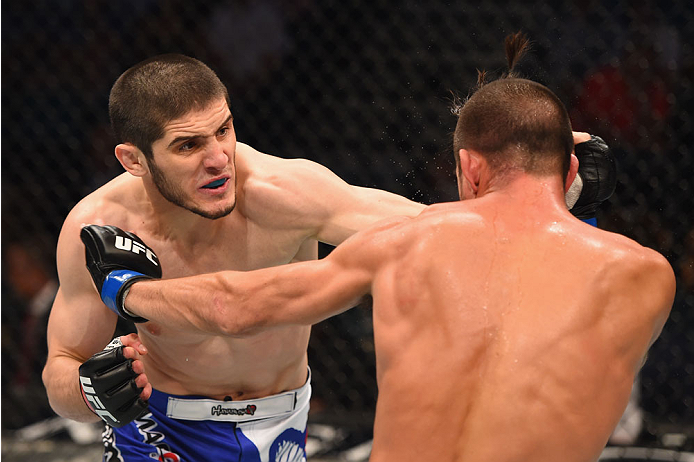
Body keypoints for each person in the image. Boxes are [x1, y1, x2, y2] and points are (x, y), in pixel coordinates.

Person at [92, 35, 675, 461]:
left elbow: (232, 307)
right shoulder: (648, 278)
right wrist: (579, 208)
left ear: (468, 169)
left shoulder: (412, 243)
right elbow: (546, 286)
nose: (219, 156)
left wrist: (129, 289)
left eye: (223, 132)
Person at [42, 53, 427, 462]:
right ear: (134, 159)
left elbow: (438, 231)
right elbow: (60, 374)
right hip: (159, 430)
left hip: (282, 424)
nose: (219, 159)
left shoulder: (284, 196)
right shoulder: (100, 226)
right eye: (188, 145)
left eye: (223, 130)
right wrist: (90, 391)